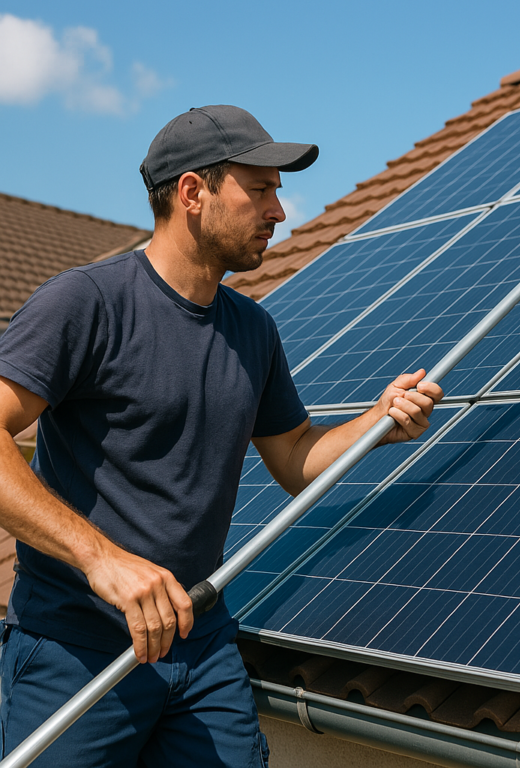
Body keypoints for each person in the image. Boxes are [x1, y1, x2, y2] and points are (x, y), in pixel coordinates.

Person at [0, 105, 443, 767]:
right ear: (192, 193)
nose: (279, 212)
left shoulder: (252, 330)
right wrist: (101, 559)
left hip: (200, 649)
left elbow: (294, 458)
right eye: (260, 189)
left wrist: (376, 423)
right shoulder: (86, 303)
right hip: (78, 652)